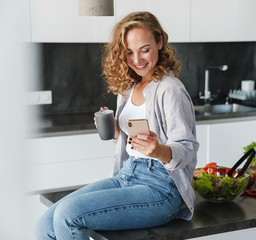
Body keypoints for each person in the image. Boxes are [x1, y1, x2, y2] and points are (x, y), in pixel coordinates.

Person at [36, 11, 199, 240]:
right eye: (129, 52)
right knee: (44, 223)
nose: (137, 60)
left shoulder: (170, 89)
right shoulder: (129, 87)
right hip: (127, 175)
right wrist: (116, 130)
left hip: (161, 188)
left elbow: (188, 147)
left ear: (160, 42)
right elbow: (133, 141)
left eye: (145, 50)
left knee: (68, 215)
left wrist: (159, 150)